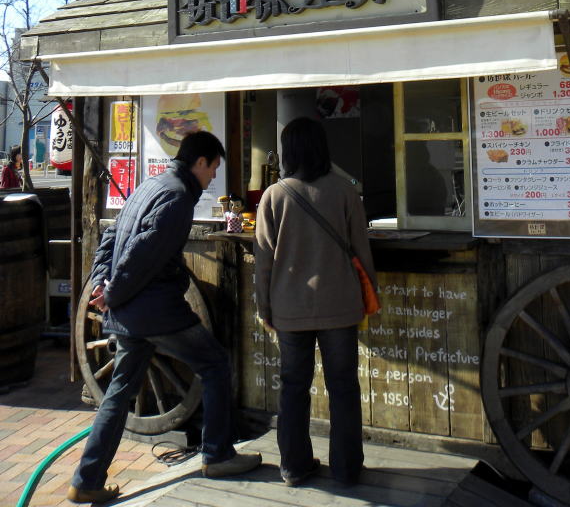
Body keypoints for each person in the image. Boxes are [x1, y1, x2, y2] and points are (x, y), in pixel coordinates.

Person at [68, 130, 261, 505]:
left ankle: (86, 479)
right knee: (216, 363)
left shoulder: (150, 185)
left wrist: (102, 282)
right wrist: (112, 291)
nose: (212, 179)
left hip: (130, 313)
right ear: (200, 162)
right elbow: (142, 254)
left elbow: (112, 238)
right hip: (156, 312)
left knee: (119, 394)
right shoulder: (176, 198)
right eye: (213, 170)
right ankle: (218, 454)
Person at [254, 116, 377, 488]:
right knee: (343, 387)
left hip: (289, 307)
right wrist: (370, 295)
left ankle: (293, 466)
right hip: (340, 304)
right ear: (324, 149)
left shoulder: (273, 196)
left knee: (293, 387)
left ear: (288, 152)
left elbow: (263, 262)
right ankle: (346, 469)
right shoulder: (344, 192)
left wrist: (264, 309)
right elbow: (362, 250)